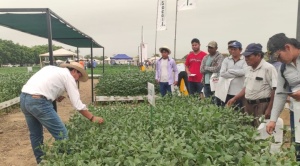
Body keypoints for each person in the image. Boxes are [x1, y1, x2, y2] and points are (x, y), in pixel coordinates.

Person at [20, 62, 104, 164]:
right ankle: (64, 161)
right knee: (62, 134)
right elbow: (77, 104)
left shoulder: (51, 68)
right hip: (39, 102)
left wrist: (54, 96)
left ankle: (41, 162)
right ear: (74, 71)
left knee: (35, 134)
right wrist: (92, 118)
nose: (77, 79)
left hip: (24, 99)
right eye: (79, 75)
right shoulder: (68, 77)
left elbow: (45, 85)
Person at [266, 33, 300, 160]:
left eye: (279, 57)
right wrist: (273, 120)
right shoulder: (283, 68)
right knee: (298, 148)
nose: (278, 61)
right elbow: (280, 94)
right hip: (296, 113)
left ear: (287, 47)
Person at [227, 43, 277, 127]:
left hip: (261, 105)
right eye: (245, 57)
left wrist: (269, 108)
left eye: (248, 56)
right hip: (247, 104)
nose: (246, 59)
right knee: (247, 129)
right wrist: (235, 98)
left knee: (260, 130)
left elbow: (274, 89)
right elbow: (246, 87)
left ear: (258, 55)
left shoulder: (268, 68)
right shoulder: (248, 69)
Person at [218, 41, 247, 108]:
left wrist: (229, 71)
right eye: (231, 49)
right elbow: (222, 73)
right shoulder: (226, 60)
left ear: (240, 50)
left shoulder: (245, 60)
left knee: (239, 112)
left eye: (235, 49)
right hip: (227, 92)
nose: (233, 51)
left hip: (239, 93)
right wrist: (238, 74)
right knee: (228, 113)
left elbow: (244, 72)